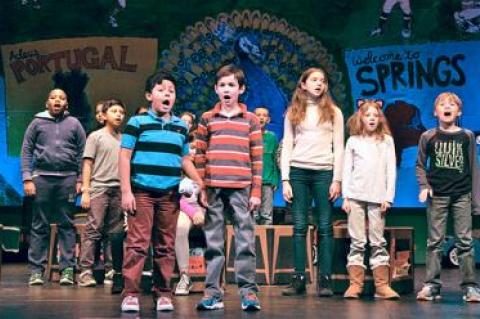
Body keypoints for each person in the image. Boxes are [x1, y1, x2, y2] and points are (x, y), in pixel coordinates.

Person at [119, 71, 205, 312]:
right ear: (149, 95)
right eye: (161, 89)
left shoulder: (180, 127)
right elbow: (124, 157)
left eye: (171, 90)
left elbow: (184, 159)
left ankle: (163, 292)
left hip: (170, 194)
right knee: (138, 243)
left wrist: (200, 181)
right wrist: (126, 191)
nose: (167, 93)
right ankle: (131, 294)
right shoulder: (137, 123)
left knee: (165, 245)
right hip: (142, 192)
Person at [195, 64, 263, 311]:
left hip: (242, 187)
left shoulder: (251, 120)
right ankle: (213, 292)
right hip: (213, 187)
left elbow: (257, 159)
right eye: (222, 85)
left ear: (241, 89)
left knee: (245, 240)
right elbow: (200, 155)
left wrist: (256, 192)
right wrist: (202, 187)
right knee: (214, 242)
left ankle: (248, 293)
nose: (226, 89)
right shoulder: (207, 118)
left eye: (232, 85)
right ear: (215, 89)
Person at [281, 67, 344, 297]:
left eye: (323, 80)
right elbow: (287, 144)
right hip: (298, 172)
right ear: (304, 84)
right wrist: (285, 179)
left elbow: (339, 147)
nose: (319, 83)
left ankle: (325, 280)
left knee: (325, 226)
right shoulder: (293, 111)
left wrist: (337, 179)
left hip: (324, 173)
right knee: (299, 226)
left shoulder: (334, 112)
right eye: (314, 80)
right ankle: (298, 278)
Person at [416, 92, 480, 302]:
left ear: (458, 111)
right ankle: (432, 285)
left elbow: (473, 167)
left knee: (464, 241)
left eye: (452, 104)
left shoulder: (467, 136)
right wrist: (424, 186)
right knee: (435, 242)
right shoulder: (428, 136)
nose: (447, 106)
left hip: (462, 195)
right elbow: (420, 165)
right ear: (436, 112)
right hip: (438, 196)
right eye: (442, 104)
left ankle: (470, 287)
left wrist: (476, 200)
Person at [21, 88, 86, 286]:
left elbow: (83, 153)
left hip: (67, 179)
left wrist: (81, 179)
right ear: (47, 102)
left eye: (61, 98)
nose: (57, 100)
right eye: (53, 97)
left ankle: (67, 269)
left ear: (66, 103)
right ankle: (36, 271)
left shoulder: (74, 123)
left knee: (66, 224)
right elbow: (26, 151)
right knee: (39, 225)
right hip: (42, 179)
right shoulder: (36, 123)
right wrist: (27, 178)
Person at [342, 99, 399, 300]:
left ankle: (382, 286)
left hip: (378, 197)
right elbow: (346, 169)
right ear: (361, 118)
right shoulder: (353, 141)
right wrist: (345, 196)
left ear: (380, 118)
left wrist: (389, 197)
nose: (372, 118)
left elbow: (391, 170)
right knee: (357, 241)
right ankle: (355, 285)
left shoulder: (386, 141)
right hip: (356, 196)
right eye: (368, 115)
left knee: (377, 241)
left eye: (375, 115)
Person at [77, 99, 126, 289]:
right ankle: (86, 272)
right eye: (114, 111)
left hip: (118, 190)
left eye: (121, 111)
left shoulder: (124, 139)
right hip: (99, 188)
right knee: (93, 229)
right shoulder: (95, 137)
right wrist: (86, 191)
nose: (118, 114)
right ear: (104, 116)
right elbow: (87, 164)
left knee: (114, 233)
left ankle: (111, 269)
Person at [174, 177, 206, 295]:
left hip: (205, 207)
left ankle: (216, 280)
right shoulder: (179, 166)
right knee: (180, 227)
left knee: (215, 227)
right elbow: (174, 198)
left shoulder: (204, 166)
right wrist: (193, 213)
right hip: (183, 208)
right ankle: (184, 276)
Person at [253, 107, 279, 225]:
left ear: (268, 119)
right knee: (253, 214)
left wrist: (275, 180)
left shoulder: (272, 137)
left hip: (267, 181)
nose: (261, 117)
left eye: (264, 115)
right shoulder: (249, 136)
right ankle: (251, 242)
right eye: (258, 115)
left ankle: (266, 242)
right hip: (252, 182)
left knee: (266, 215)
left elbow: (276, 160)